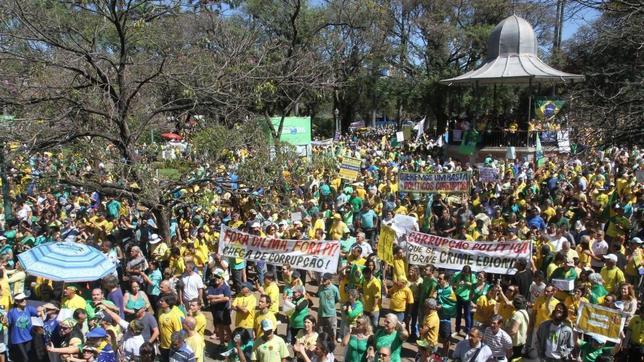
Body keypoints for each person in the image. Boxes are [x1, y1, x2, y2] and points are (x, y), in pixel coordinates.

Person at [7, 293, 39, 361]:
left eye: (25, 299)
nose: (24, 301)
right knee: (25, 358)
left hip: (28, 337)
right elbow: (8, 324)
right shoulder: (11, 312)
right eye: (21, 300)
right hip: (17, 339)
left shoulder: (29, 309)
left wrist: (42, 310)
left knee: (27, 357)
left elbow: (38, 313)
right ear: (16, 302)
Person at [207, 268, 232, 345]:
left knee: (226, 327)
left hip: (224, 311)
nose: (216, 278)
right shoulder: (212, 286)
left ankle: (232, 343)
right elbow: (208, 296)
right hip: (215, 310)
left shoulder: (225, 287)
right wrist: (220, 296)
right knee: (220, 327)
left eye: (218, 277)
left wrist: (215, 300)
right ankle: (221, 343)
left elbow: (227, 298)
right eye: (215, 276)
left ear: (222, 278)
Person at [158, 294, 185, 362]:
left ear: (168, 304)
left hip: (172, 347)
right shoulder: (160, 311)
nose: (159, 302)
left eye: (162, 301)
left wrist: (175, 346)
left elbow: (178, 333)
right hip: (163, 345)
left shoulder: (175, 315)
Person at [452, 265, 476, 336]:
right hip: (458, 296)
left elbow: (475, 286)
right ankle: (457, 330)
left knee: (467, 315)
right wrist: (457, 283)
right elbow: (452, 283)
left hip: (467, 298)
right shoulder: (457, 274)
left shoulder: (473, 276)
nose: (465, 274)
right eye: (464, 273)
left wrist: (470, 284)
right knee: (458, 314)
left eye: (467, 273)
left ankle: (468, 333)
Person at [317, 273, 340, 341]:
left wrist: (330, 306)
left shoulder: (334, 289)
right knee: (320, 330)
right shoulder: (320, 287)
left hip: (330, 314)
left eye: (325, 279)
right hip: (321, 313)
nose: (323, 280)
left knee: (332, 331)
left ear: (330, 280)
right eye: (323, 278)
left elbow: (337, 299)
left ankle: (332, 346)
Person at [507, 295, 529, 359]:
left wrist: (504, 337)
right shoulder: (524, 312)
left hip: (515, 344)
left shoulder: (517, 314)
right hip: (521, 343)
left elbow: (513, 331)